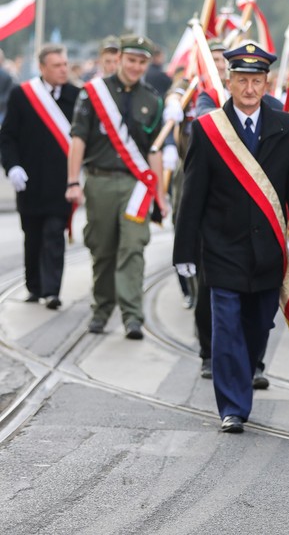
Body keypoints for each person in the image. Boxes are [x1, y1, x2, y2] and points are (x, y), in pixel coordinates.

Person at [173, 41, 289, 433]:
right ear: (229, 80)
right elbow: (193, 194)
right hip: (222, 247)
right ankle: (233, 407)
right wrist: (184, 250)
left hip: (268, 251)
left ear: (267, 82)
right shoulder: (207, 130)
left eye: (256, 80)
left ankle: (246, 372)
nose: (249, 88)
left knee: (257, 328)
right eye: (242, 80)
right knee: (225, 329)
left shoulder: (286, 126)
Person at [66, 35, 166, 339]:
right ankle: (102, 309)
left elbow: (154, 151)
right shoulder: (94, 93)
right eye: (131, 60)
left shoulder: (152, 99)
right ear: (120, 58)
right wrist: (73, 182)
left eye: (142, 62)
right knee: (103, 249)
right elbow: (78, 138)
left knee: (133, 248)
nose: (136, 67)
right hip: (100, 181)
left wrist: (159, 197)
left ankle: (132, 316)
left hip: (136, 186)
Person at [0, 44, 78, 308]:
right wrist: (12, 167)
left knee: (54, 236)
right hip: (30, 183)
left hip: (61, 184)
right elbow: (7, 136)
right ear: (42, 68)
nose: (63, 70)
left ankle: (52, 291)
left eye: (65, 64)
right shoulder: (22, 95)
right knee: (32, 237)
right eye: (57, 65)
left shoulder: (76, 96)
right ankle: (34, 286)